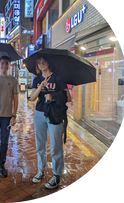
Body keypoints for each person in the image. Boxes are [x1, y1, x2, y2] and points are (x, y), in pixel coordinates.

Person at [29, 57, 71, 189]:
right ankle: (41, 171)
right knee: (40, 144)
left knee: (55, 145)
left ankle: (56, 175)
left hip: (54, 114)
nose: (41, 64)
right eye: (39, 62)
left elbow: (68, 97)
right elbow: (32, 98)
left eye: (43, 62)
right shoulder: (36, 79)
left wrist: (53, 97)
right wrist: (41, 86)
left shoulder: (57, 78)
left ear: (49, 63)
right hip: (40, 113)